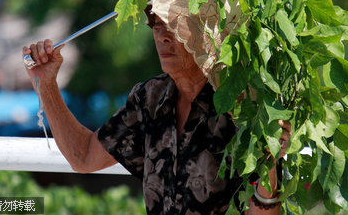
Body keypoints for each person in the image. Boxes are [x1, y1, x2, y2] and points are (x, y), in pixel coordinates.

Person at [23, 11, 291, 215]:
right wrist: (47, 84)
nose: (162, 35)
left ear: (207, 30)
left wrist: (269, 159)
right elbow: (83, 157)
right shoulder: (149, 98)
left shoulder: (241, 103)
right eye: (156, 23)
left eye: (174, 24)